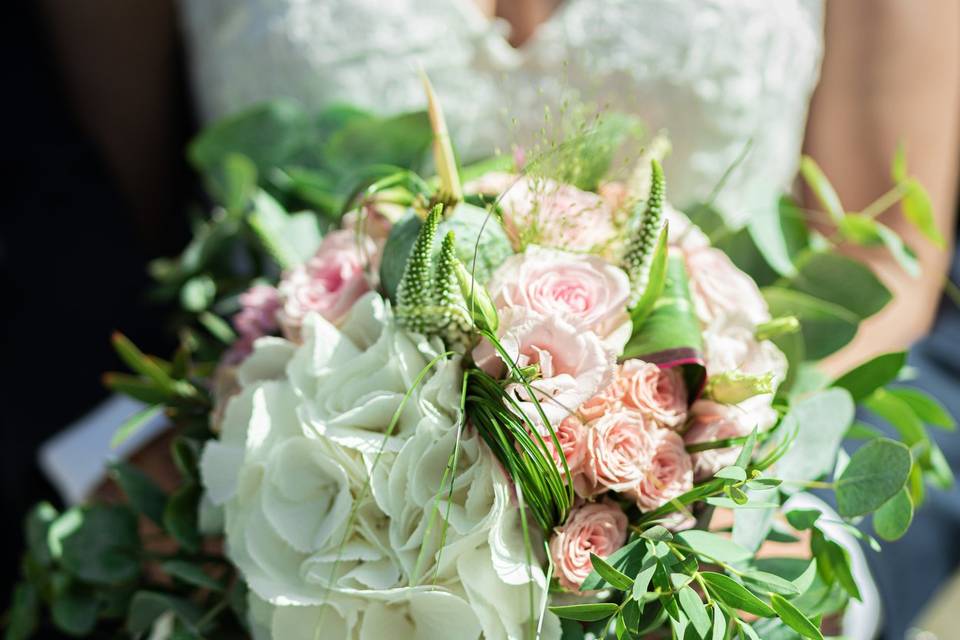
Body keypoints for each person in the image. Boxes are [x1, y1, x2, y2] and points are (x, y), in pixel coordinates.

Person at [30, 1, 960, 637]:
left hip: (702, 543)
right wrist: (214, 457)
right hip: (288, 547)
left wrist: (736, 496)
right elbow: (113, 214)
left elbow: (879, 249)